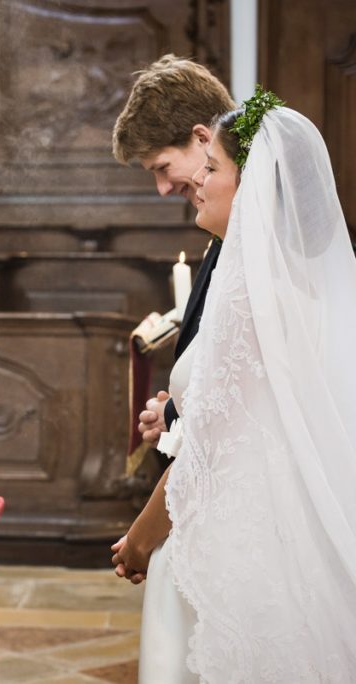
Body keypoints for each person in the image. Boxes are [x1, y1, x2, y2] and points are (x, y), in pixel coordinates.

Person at [137, 91, 356, 680]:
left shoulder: (254, 298)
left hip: (235, 550)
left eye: (212, 168)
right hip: (272, 534)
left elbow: (210, 445)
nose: (199, 182)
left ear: (254, 186)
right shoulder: (295, 289)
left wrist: (139, 538)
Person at [109, 55, 234, 582]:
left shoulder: (262, 257)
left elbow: (242, 418)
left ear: (204, 139)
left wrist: (141, 538)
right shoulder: (224, 241)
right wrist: (177, 415)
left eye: (163, 168)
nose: (163, 189)